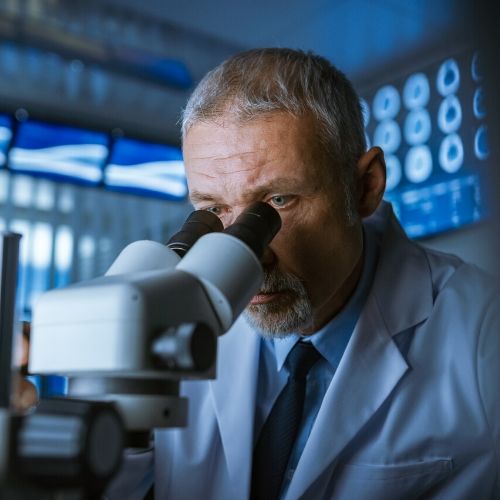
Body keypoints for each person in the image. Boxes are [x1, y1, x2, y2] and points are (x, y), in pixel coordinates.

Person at [108, 48, 498, 499]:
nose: (247, 258)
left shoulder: (483, 334)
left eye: (277, 202)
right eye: (213, 210)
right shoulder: (176, 317)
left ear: (365, 187)